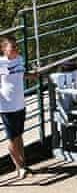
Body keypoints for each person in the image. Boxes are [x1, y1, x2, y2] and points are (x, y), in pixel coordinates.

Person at [0, 37, 30, 179]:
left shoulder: (19, 59)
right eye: (12, 47)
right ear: (4, 49)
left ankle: (23, 164)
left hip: (20, 104)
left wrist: (33, 75)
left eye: (16, 47)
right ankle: (19, 167)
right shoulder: (0, 63)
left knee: (19, 136)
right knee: (12, 138)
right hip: (7, 106)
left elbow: (22, 75)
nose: (15, 49)